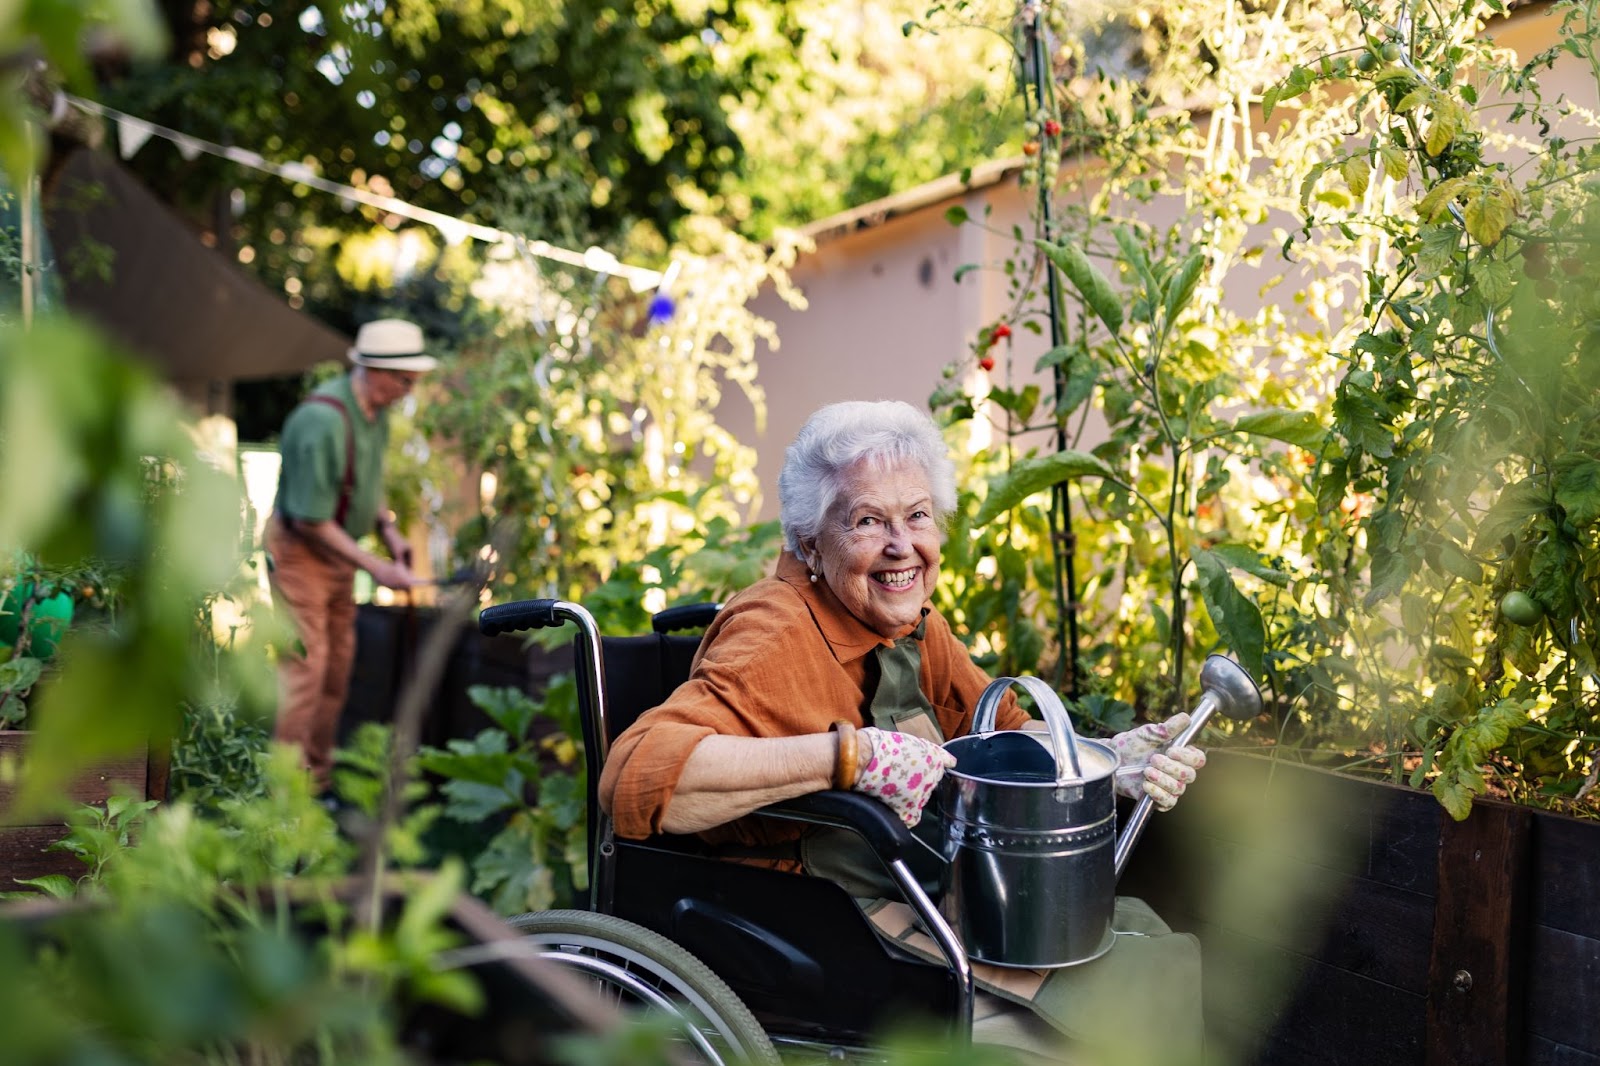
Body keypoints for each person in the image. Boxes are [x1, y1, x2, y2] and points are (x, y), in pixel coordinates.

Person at [598, 399, 1209, 1062]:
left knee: (1140, 943)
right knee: (1097, 1014)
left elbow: (1002, 737)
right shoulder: (774, 635)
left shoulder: (912, 624)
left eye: (917, 516)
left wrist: (1105, 760)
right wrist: (849, 758)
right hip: (813, 922)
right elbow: (635, 775)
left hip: (911, 882)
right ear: (809, 542)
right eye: (867, 521)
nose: (902, 546)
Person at [266, 318, 434, 792]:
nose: (409, 390)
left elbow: (367, 481)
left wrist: (388, 531)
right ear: (376, 370)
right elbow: (308, 520)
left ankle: (315, 784)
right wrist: (378, 568)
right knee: (304, 671)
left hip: (339, 551)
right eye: (406, 380)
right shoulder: (321, 420)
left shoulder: (374, 414)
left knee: (337, 668)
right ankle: (280, 798)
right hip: (301, 552)